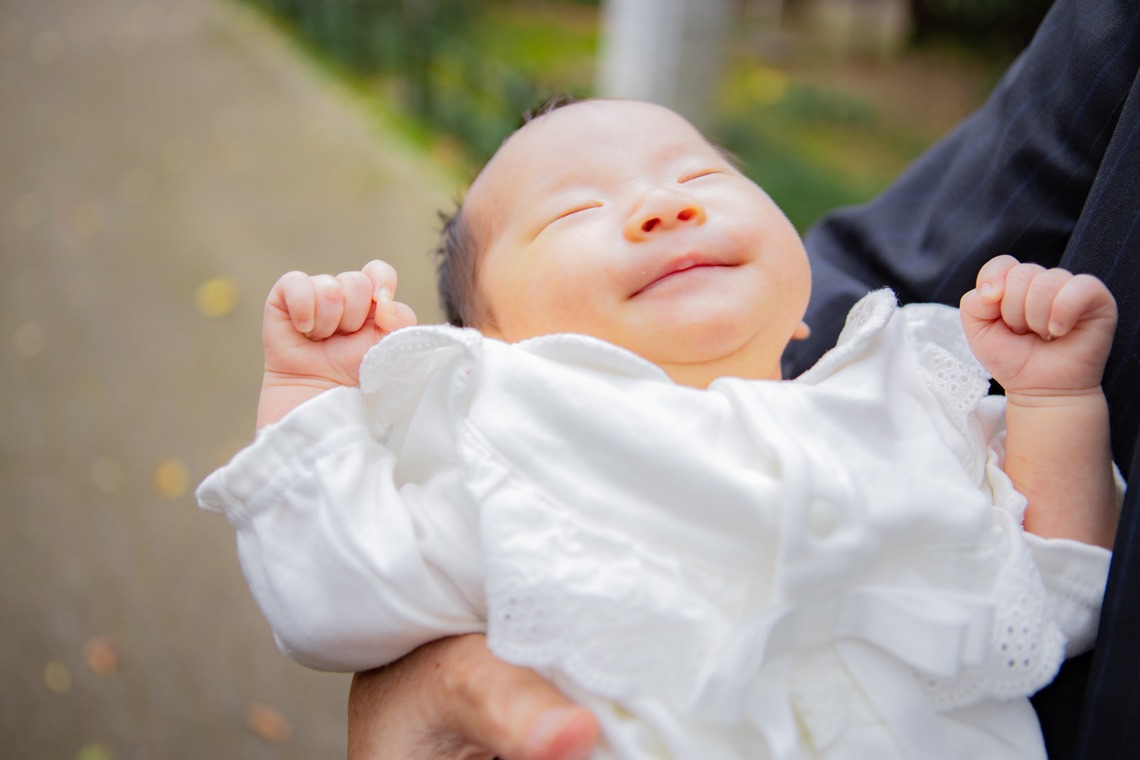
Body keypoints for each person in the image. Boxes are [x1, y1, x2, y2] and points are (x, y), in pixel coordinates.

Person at [198, 97, 1119, 759]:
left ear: (806, 303)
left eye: (703, 175)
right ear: (490, 349)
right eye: (575, 210)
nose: (665, 204)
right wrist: (312, 389)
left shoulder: (904, 400)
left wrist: (1054, 403)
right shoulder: (510, 446)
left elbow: (1058, 599)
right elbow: (330, 593)